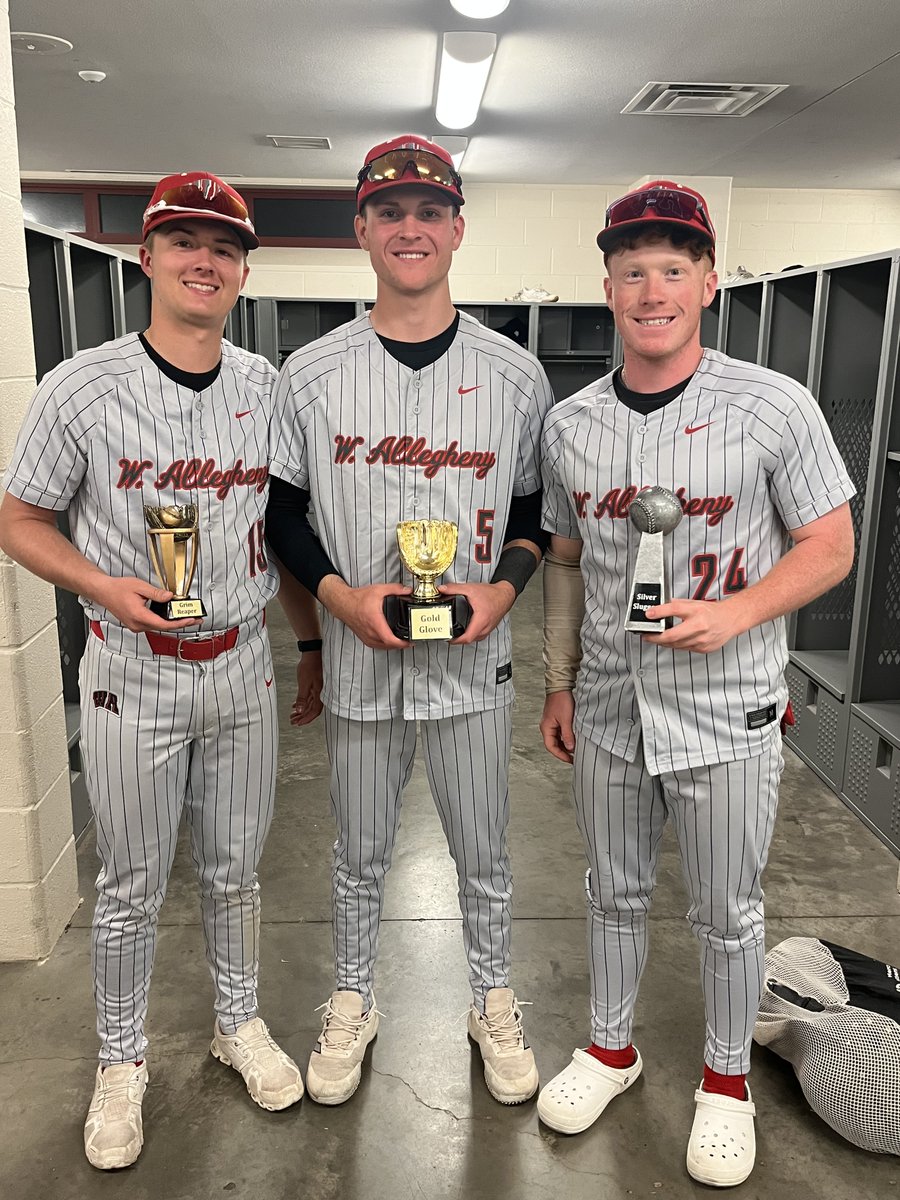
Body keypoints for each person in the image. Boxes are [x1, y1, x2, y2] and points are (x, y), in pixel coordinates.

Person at [0, 172, 323, 1169]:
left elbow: (284, 526)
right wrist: (102, 580)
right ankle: (120, 1063)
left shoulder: (265, 387)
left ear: (241, 269)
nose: (204, 260)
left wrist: (308, 643)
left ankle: (237, 1025)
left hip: (240, 670)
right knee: (133, 881)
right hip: (131, 668)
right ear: (146, 257)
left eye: (223, 247)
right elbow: (19, 518)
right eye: (183, 241)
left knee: (235, 872)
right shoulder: (79, 387)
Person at [535, 180, 855, 1186]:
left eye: (673, 267)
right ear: (609, 286)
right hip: (612, 709)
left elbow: (831, 544)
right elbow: (566, 560)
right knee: (613, 893)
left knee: (726, 910)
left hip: (726, 709)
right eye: (633, 269)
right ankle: (611, 1049)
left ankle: (724, 1082)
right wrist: (556, 682)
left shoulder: (773, 405)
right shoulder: (571, 423)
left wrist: (738, 611)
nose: (652, 287)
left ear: (708, 282)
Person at [266, 135, 553, 1107]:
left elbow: (528, 514)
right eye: (390, 211)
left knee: (485, 854)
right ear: (362, 228)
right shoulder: (308, 372)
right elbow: (282, 511)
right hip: (361, 664)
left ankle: (493, 1001)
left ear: (458, 228)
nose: (410, 227)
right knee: (357, 854)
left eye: (430, 211)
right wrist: (339, 601)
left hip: (472, 664)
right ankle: (353, 999)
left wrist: (501, 591)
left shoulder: (515, 375)